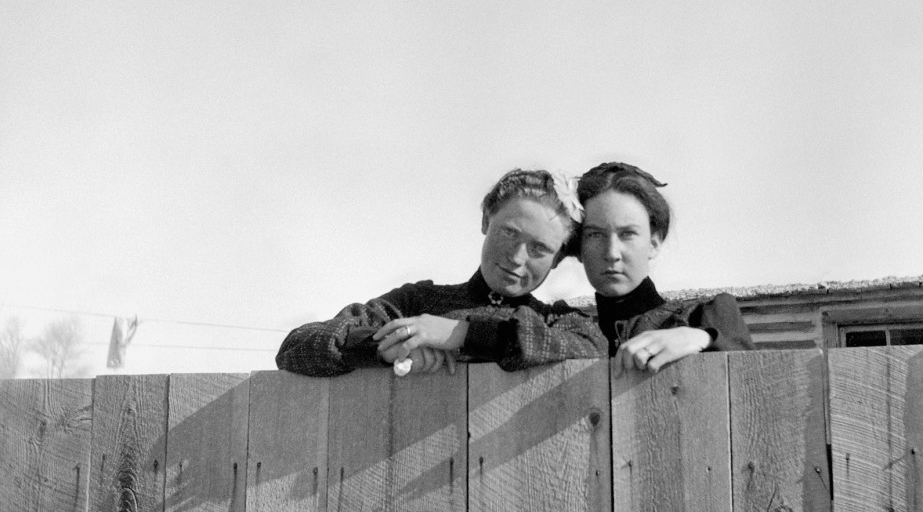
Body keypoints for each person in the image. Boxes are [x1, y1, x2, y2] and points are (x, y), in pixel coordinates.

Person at [276, 169, 606, 376]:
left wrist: (461, 334)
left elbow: (595, 348)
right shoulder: (416, 303)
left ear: (558, 259)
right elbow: (295, 346)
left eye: (539, 249)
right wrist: (386, 347)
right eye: (509, 232)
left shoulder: (555, 323)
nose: (517, 257)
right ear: (486, 221)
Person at [574, 161, 755, 374]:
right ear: (578, 247)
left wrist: (704, 338)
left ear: (654, 243)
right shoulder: (568, 331)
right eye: (595, 234)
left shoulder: (701, 318)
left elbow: (753, 377)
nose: (612, 253)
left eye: (628, 234)